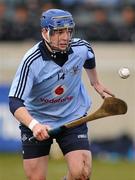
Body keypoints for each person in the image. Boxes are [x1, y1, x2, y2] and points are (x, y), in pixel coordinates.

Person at [9, 9, 114, 180]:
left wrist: (95, 82)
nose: (65, 37)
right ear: (45, 32)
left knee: (82, 173)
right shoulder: (31, 61)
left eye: (68, 31)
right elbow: (14, 102)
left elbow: (89, 56)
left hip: (72, 116)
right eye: (58, 32)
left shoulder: (80, 47)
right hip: (38, 120)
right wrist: (35, 125)